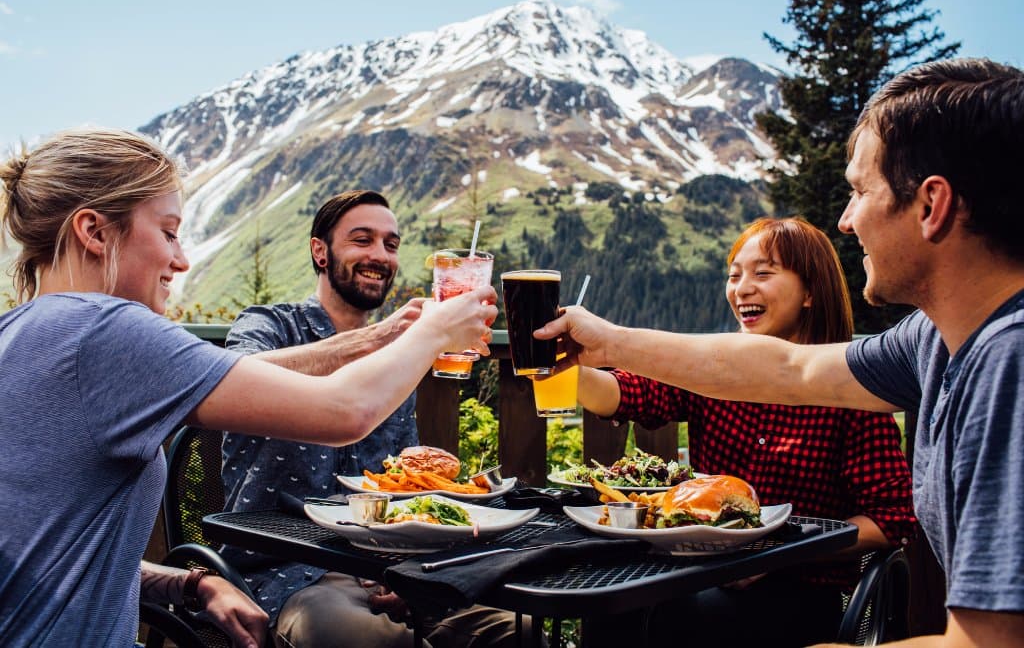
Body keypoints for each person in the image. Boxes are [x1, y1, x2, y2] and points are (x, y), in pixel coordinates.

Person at [537, 57, 1024, 647]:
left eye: (860, 191)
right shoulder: (935, 339)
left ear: (931, 205)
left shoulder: (1009, 364)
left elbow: (988, 644)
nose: (846, 221)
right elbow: (789, 367)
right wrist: (606, 342)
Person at [0, 128, 497, 648]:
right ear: (94, 232)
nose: (181, 259)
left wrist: (191, 582)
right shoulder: (107, 330)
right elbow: (345, 412)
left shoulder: (26, 333)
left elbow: (56, 557)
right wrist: (436, 328)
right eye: (169, 232)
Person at [576, 216, 915, 646]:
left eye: (763, 273)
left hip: (798, 590)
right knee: (611, 603)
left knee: (669, 617)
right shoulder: (714, 375)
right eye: (734, 275)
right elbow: (627, 394)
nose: (741, 288)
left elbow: (891, 520)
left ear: (810, 292)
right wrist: (563, 368)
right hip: (699, 574)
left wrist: (777, 552)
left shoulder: (849, 394)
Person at [221, 189, 525, 647]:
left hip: (397, 571)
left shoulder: (398, 361)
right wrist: (383, 337)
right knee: (360, 639)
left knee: (515, 630)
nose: (379, 255)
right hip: (289, 573)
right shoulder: (269, 325)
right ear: (319, 251)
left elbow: (402, 486)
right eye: (362, 240)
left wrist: (409, 569)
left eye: (391, 244)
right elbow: (231, 378)